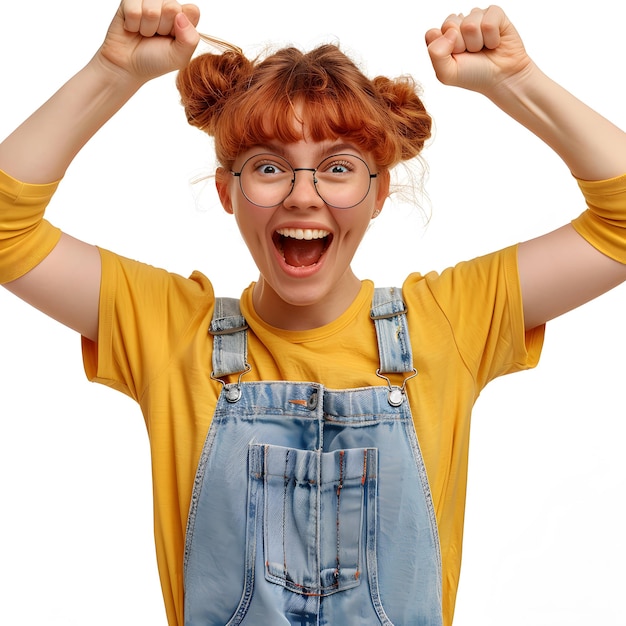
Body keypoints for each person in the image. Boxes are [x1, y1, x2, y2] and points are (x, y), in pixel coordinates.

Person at [1, 1, 625, 624]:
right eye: (269, 167)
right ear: (228, 191)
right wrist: (113, 71)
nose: (303, 196)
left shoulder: (448, 321)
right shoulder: (169, 332)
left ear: (380, 192)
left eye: (338, 168)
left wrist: (518, 84)